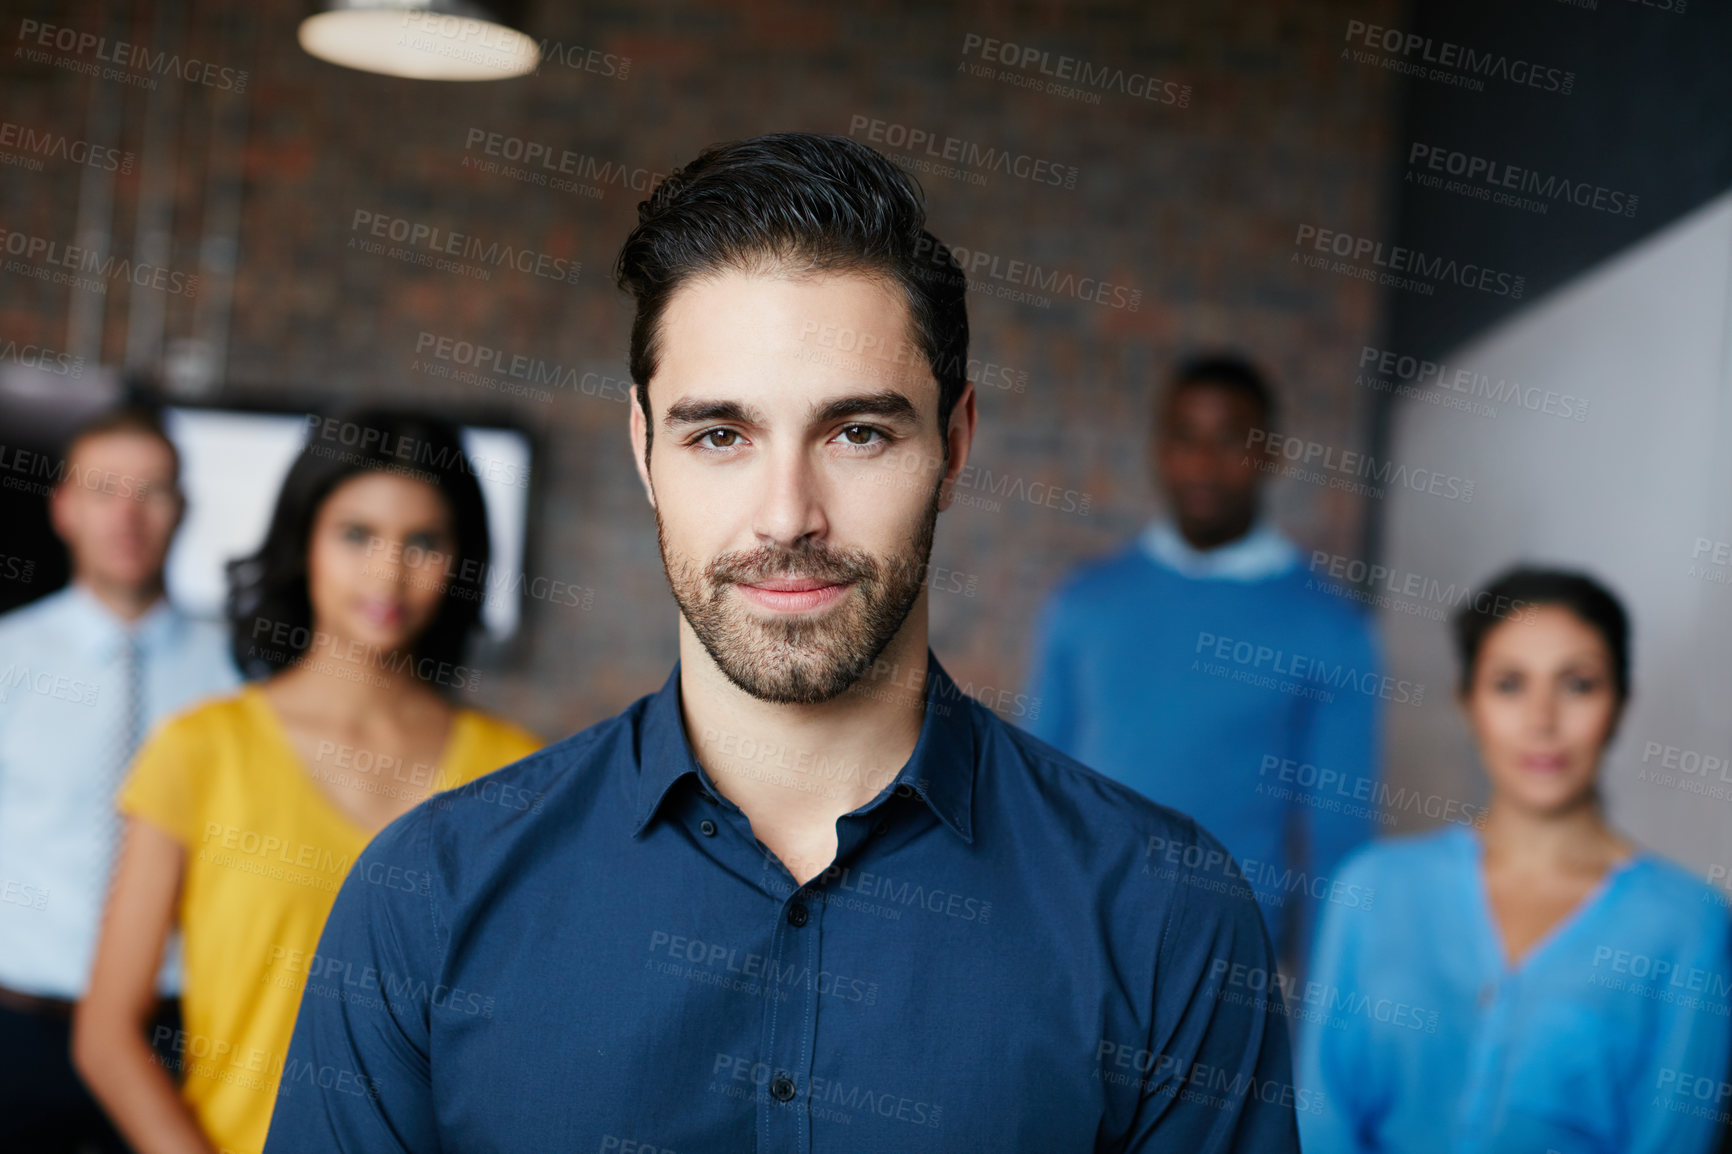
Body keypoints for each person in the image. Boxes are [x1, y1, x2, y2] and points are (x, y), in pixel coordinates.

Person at [262, 133, 1298, 1153]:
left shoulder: (1167, 911)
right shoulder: (426, 897)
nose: (787, 514)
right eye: (720, 434)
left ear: (955, 444)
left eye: (857, 432)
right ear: (645, 449)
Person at [72, 409, 543, 1154]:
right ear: (305, 544)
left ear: (461, 560)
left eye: (423, 541)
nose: (388, 570)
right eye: (356, 534)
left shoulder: (517, 774)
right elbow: (106, 1035)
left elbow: (520, 1038)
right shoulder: (201, 750)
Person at [1298, 567, 1732, 1153]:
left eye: (1577, 685)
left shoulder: (1688, 924)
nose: (1542, 722)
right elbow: (1318, 1119)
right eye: (1509, 684)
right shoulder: (1372, 888)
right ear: (1467, 701)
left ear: (1621, 702)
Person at [1023, 355, 1384, 963]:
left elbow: (1338, 848)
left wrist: (1318, 1027)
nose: (1203, 463)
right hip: (1077, 957)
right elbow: (1033, 796)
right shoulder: (1085, 604)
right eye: (1184, 437)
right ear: (1159, 448)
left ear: (1271, 454)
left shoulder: (1330, 630)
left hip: (1226, 972)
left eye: (1230, 441)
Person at [0, 404, 239, 1152]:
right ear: (64, 507)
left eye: (153, 491)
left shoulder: (243, 672)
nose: (128, 516)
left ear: (184, 510)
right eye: (105, 490)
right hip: (18, 1032)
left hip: (180, 1034)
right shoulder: (7, 657)